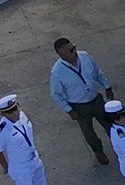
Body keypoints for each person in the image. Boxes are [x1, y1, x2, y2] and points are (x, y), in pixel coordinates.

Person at [47, 37, 117, 165]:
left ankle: (119, 146)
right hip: (79, 107)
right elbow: (56, 94)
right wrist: (69, 110)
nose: (75, 51)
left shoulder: (84, 56)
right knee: (89, 132)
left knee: (110, 124)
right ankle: (98, 152)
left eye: (74, 47)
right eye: (71, 50)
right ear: (62, 54)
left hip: (96, 100)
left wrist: (107, 86)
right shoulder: (57, 72)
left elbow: (97, 72)